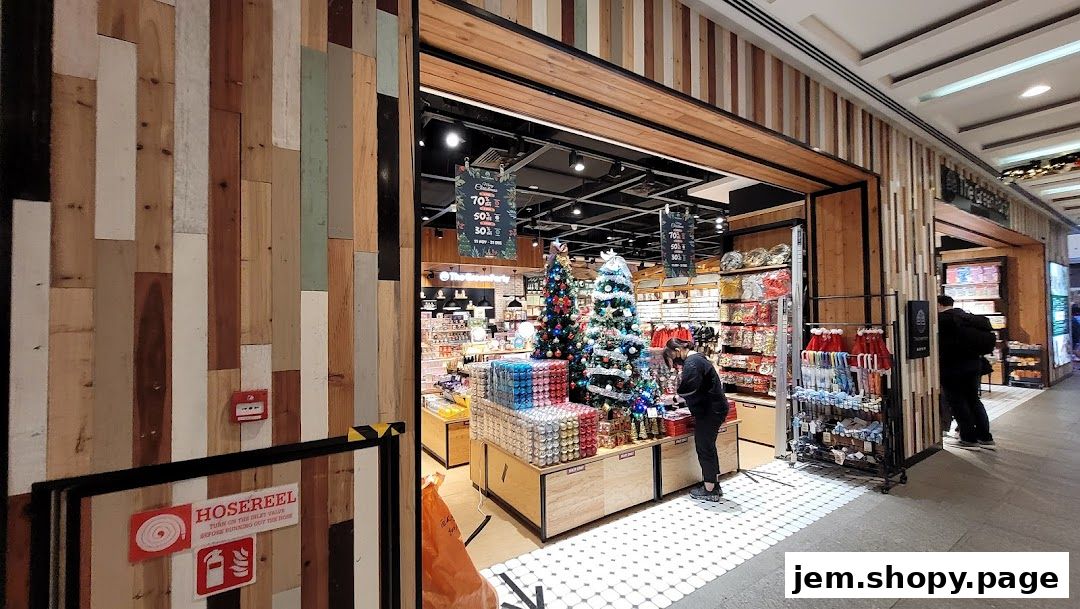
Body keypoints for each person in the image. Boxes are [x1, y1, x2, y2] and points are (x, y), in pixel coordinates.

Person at [663, 337, 730, 501]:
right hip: (715, 408)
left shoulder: (692, 363)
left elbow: (690, 389)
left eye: (673, 358)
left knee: (704, 447)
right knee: (709, 446)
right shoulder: (699, 358)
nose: (676, 363)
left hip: (709, 410)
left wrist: (671, 400)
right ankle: (713, 483)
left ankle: (710, 490)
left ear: (677, 351)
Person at [937, 295, 995, 449]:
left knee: (957, 402)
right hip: (974, 364)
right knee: (973, 399)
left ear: (939, 304)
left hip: (952, 366)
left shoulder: (942, 320)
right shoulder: (967, 317)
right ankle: (985, 437)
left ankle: (968, 438)